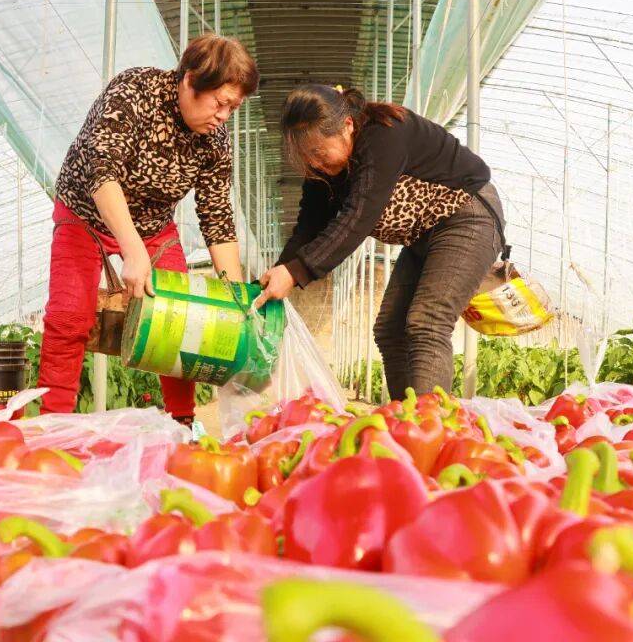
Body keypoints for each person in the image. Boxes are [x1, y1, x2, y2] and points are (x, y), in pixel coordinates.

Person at [39, 34, 258, 423]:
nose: (224, 115)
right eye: (220, 103)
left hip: (154, 227)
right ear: (190, 80)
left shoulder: (214, 142)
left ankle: (182, 423)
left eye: (233, 107)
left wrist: (236, 298)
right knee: (69, 316)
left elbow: (217, 216)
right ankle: (54, 425)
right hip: (85, 212)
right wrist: (133, 250)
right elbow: (101, 170)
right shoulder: (134, 92)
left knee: (178, 319)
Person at [255, 85, 507, 398]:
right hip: (424, 236)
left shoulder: (383, 136)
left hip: (467, 216)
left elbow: (357, 216)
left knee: (427, 321)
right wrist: (278, 272)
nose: (315, 163)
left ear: (347, 126)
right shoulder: (323, 173)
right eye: (306, 157)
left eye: (319, 152)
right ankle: (404, 417)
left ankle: (428, 422)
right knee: (390, 331)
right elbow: (309, 226)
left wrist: (296, 272)